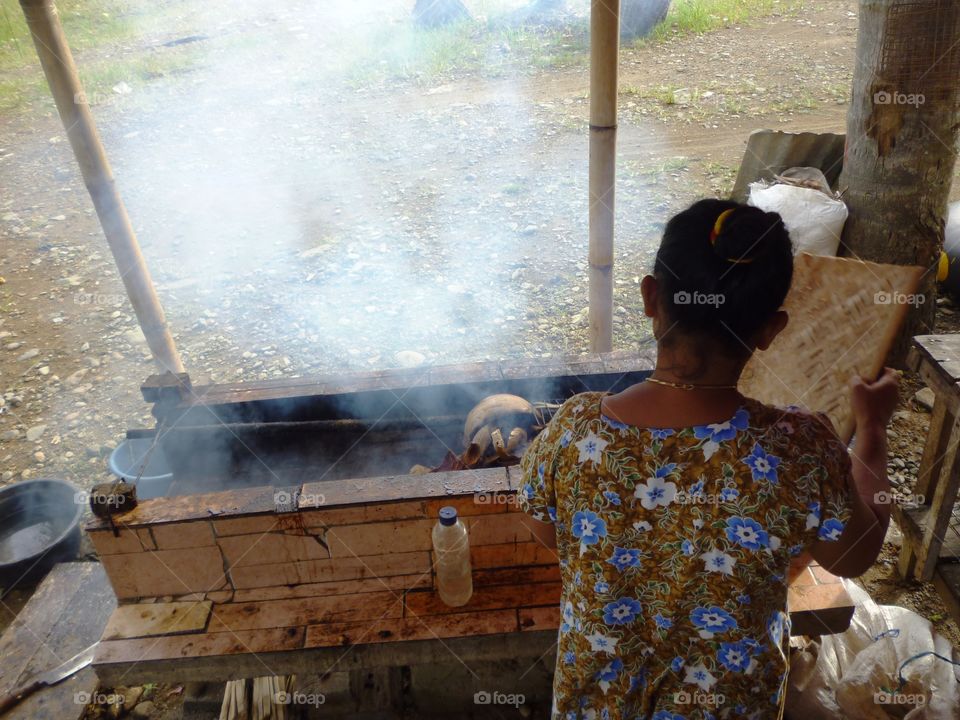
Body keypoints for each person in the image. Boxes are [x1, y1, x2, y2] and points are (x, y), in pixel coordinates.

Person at [518, 198, 899, 720]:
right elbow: (857, 554)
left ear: (651, 297)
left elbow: (546, 530)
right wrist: (873, 430)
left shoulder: (574, 428)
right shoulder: (801, 448)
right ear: (771, 329)